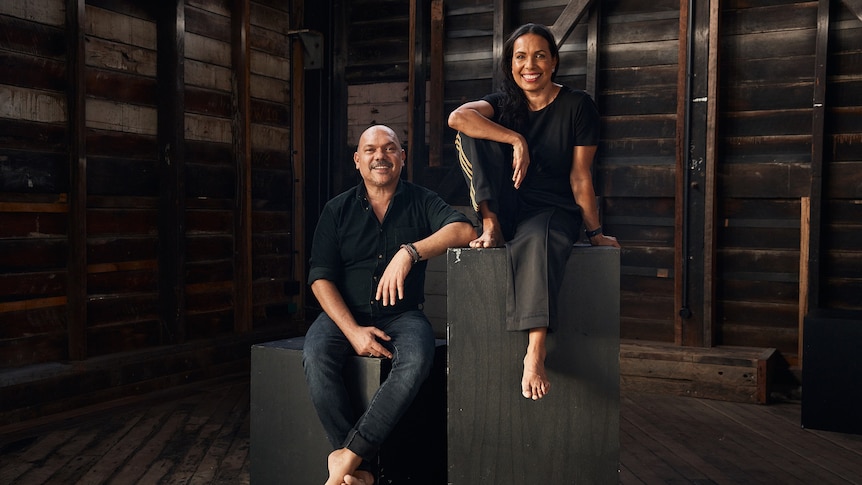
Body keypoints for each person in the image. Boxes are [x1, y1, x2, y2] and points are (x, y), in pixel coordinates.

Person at [447, 23, 620, 402]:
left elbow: (579, 176)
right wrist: (514, 137)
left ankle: (536, 350)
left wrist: (594, 232)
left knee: (537, 241)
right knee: (472, 132)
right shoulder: (504, 104)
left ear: (554, 61)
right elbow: (457, 118)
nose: (531, 65)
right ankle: (490, 225)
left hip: (552, 209)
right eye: (520, 57)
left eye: (540, 55)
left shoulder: (578, 106)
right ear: (511, 65)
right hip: (507, 204)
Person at [302, 124, 475, 485]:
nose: (380, 155)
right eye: (370, 150)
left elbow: (464, 230)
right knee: (316, 354)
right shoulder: (337, 210)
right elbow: (320, 277)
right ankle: (362, 468)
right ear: (357, 160)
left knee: (418, 359)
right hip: (343, 315)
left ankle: (347, 459)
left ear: (402, 157)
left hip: (403, 316)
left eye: (389, 148)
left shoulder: (422, 200)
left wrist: (411, 251)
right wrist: (352, 332)